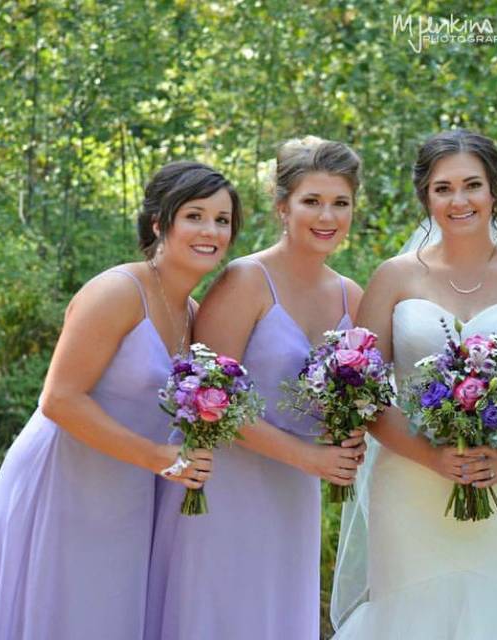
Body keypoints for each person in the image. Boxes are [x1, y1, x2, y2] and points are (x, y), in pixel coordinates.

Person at [330, 130, 497, 639]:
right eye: (442, 188)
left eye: (472, 185)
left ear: (495, 192)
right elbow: (362, 389)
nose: (459, 200)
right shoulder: (393, 277)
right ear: (426, 197)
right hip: (410, 483)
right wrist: (431, 456)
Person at [0, 161, 239, 639]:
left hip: (128, 497)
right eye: (195, 215)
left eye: (223, 220)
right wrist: (160, 457)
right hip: (63, 484)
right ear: (160, 222)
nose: (211, 230)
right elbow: (59, 398)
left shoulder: (194, 314)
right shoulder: (118, 291)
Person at [146, 137, 364, 640]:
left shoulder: (352, 295)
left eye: (340, 203)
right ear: (282, 205)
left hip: (294, 497)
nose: (326, 216)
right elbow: (209, 403)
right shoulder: (246, 280)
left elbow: (357, 398)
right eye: (312, 201)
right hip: (224, 488)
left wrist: (352, 436)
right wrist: (309, 458)